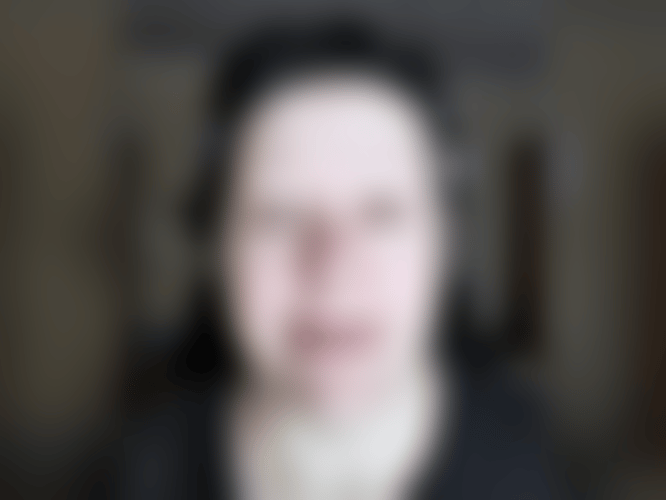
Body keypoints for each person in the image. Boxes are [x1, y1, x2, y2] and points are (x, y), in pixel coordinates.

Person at [92, 16, 555, 500]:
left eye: (382, 214)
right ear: (217, 248)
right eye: (280, 215)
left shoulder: (536, 476)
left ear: (445, 242)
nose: (334, 270)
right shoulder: (135, 475)